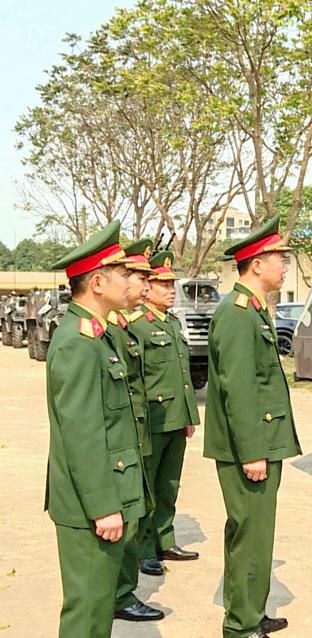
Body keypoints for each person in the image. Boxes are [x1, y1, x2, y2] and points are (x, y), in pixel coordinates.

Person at [46, 220, 146, 637]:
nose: (131, 282)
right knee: (87, 614)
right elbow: (83, 433)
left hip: (103, 496)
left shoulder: (98, 337)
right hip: (92, 504)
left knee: (98, 609)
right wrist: (104, 506)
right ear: (98, 282)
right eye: (124, 274)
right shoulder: (77, 341)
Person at [205, 214, 301, 638]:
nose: (285, 265)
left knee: (257, 534)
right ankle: (240, 626)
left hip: (260, 441)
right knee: (250, 533)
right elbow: (238, 388)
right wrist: (252, 451)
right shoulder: (238, 313)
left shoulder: (254, 310)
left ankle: (250, 611)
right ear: (256, 263)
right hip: (250, 446)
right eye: (279, 258)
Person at [129, 250, 202, 577]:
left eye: (173, 284)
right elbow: (139, 380)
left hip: (175, 418)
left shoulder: (171, 323)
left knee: (168, 485)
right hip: (153, 422)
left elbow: (181, 375)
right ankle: (144, 549)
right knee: (147, 487)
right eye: (163, 284)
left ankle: (164, 539)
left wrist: (188, 416)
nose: (171, 290)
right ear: (148, 289)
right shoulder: (139, 326)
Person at [106, 238, 165, 621]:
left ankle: (123, 589)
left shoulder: (122, 327)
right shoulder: (104, 331)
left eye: (144, 278)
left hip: (138, 433)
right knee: (123, 523)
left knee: (138, 514)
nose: (142, 286)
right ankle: (120, 593)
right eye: (133, 276)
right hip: (120, 442)